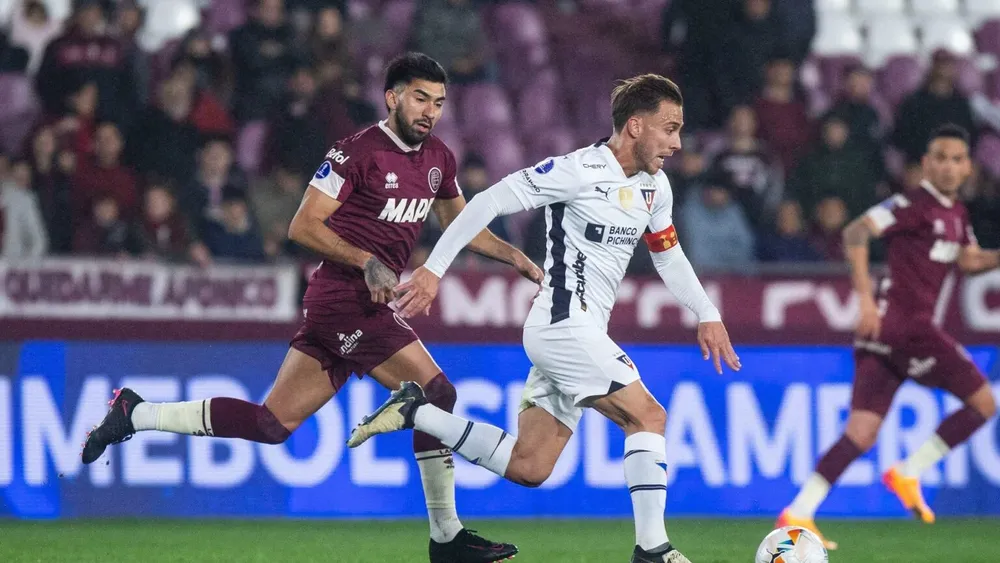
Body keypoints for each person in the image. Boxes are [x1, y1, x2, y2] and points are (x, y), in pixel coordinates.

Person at [81, 52, 536, 563]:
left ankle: (136, 412)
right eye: (420, 98)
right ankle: (447, 536)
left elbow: (461, 224)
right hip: (345, 301)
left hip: (356, 310)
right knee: (435, 393)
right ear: (392, 97)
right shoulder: (354, 152)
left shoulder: (439, 159)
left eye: (439, 102)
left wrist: (514, 256)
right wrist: (366, 260)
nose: (430, 111)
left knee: (271, 425)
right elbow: (302, 225)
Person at [347, 74, 741, 563]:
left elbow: (668, 255)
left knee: (531, 465)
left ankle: (414, 411)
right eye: (670, 128)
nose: (678, 143)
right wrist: (433, 269)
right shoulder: (576, 170)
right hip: (560, 325)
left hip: (581, 332)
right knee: (649, 416)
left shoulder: (654, 188)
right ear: (636, 126)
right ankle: (653, 550)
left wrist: (706, 311)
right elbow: (488, 201)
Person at [776, 124, 999, 549]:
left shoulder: (957, 214)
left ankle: (799, 510)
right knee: (983, 403)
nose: (949, 166)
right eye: (941, 158)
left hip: (884, 335)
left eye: (957, 159)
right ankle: (910, 471)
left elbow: (969, 261)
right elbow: (855, 231)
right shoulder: (912, 204)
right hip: (906, 327)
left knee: (860, 432)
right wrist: (863, 299)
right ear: (926, 164)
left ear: (968, 167)